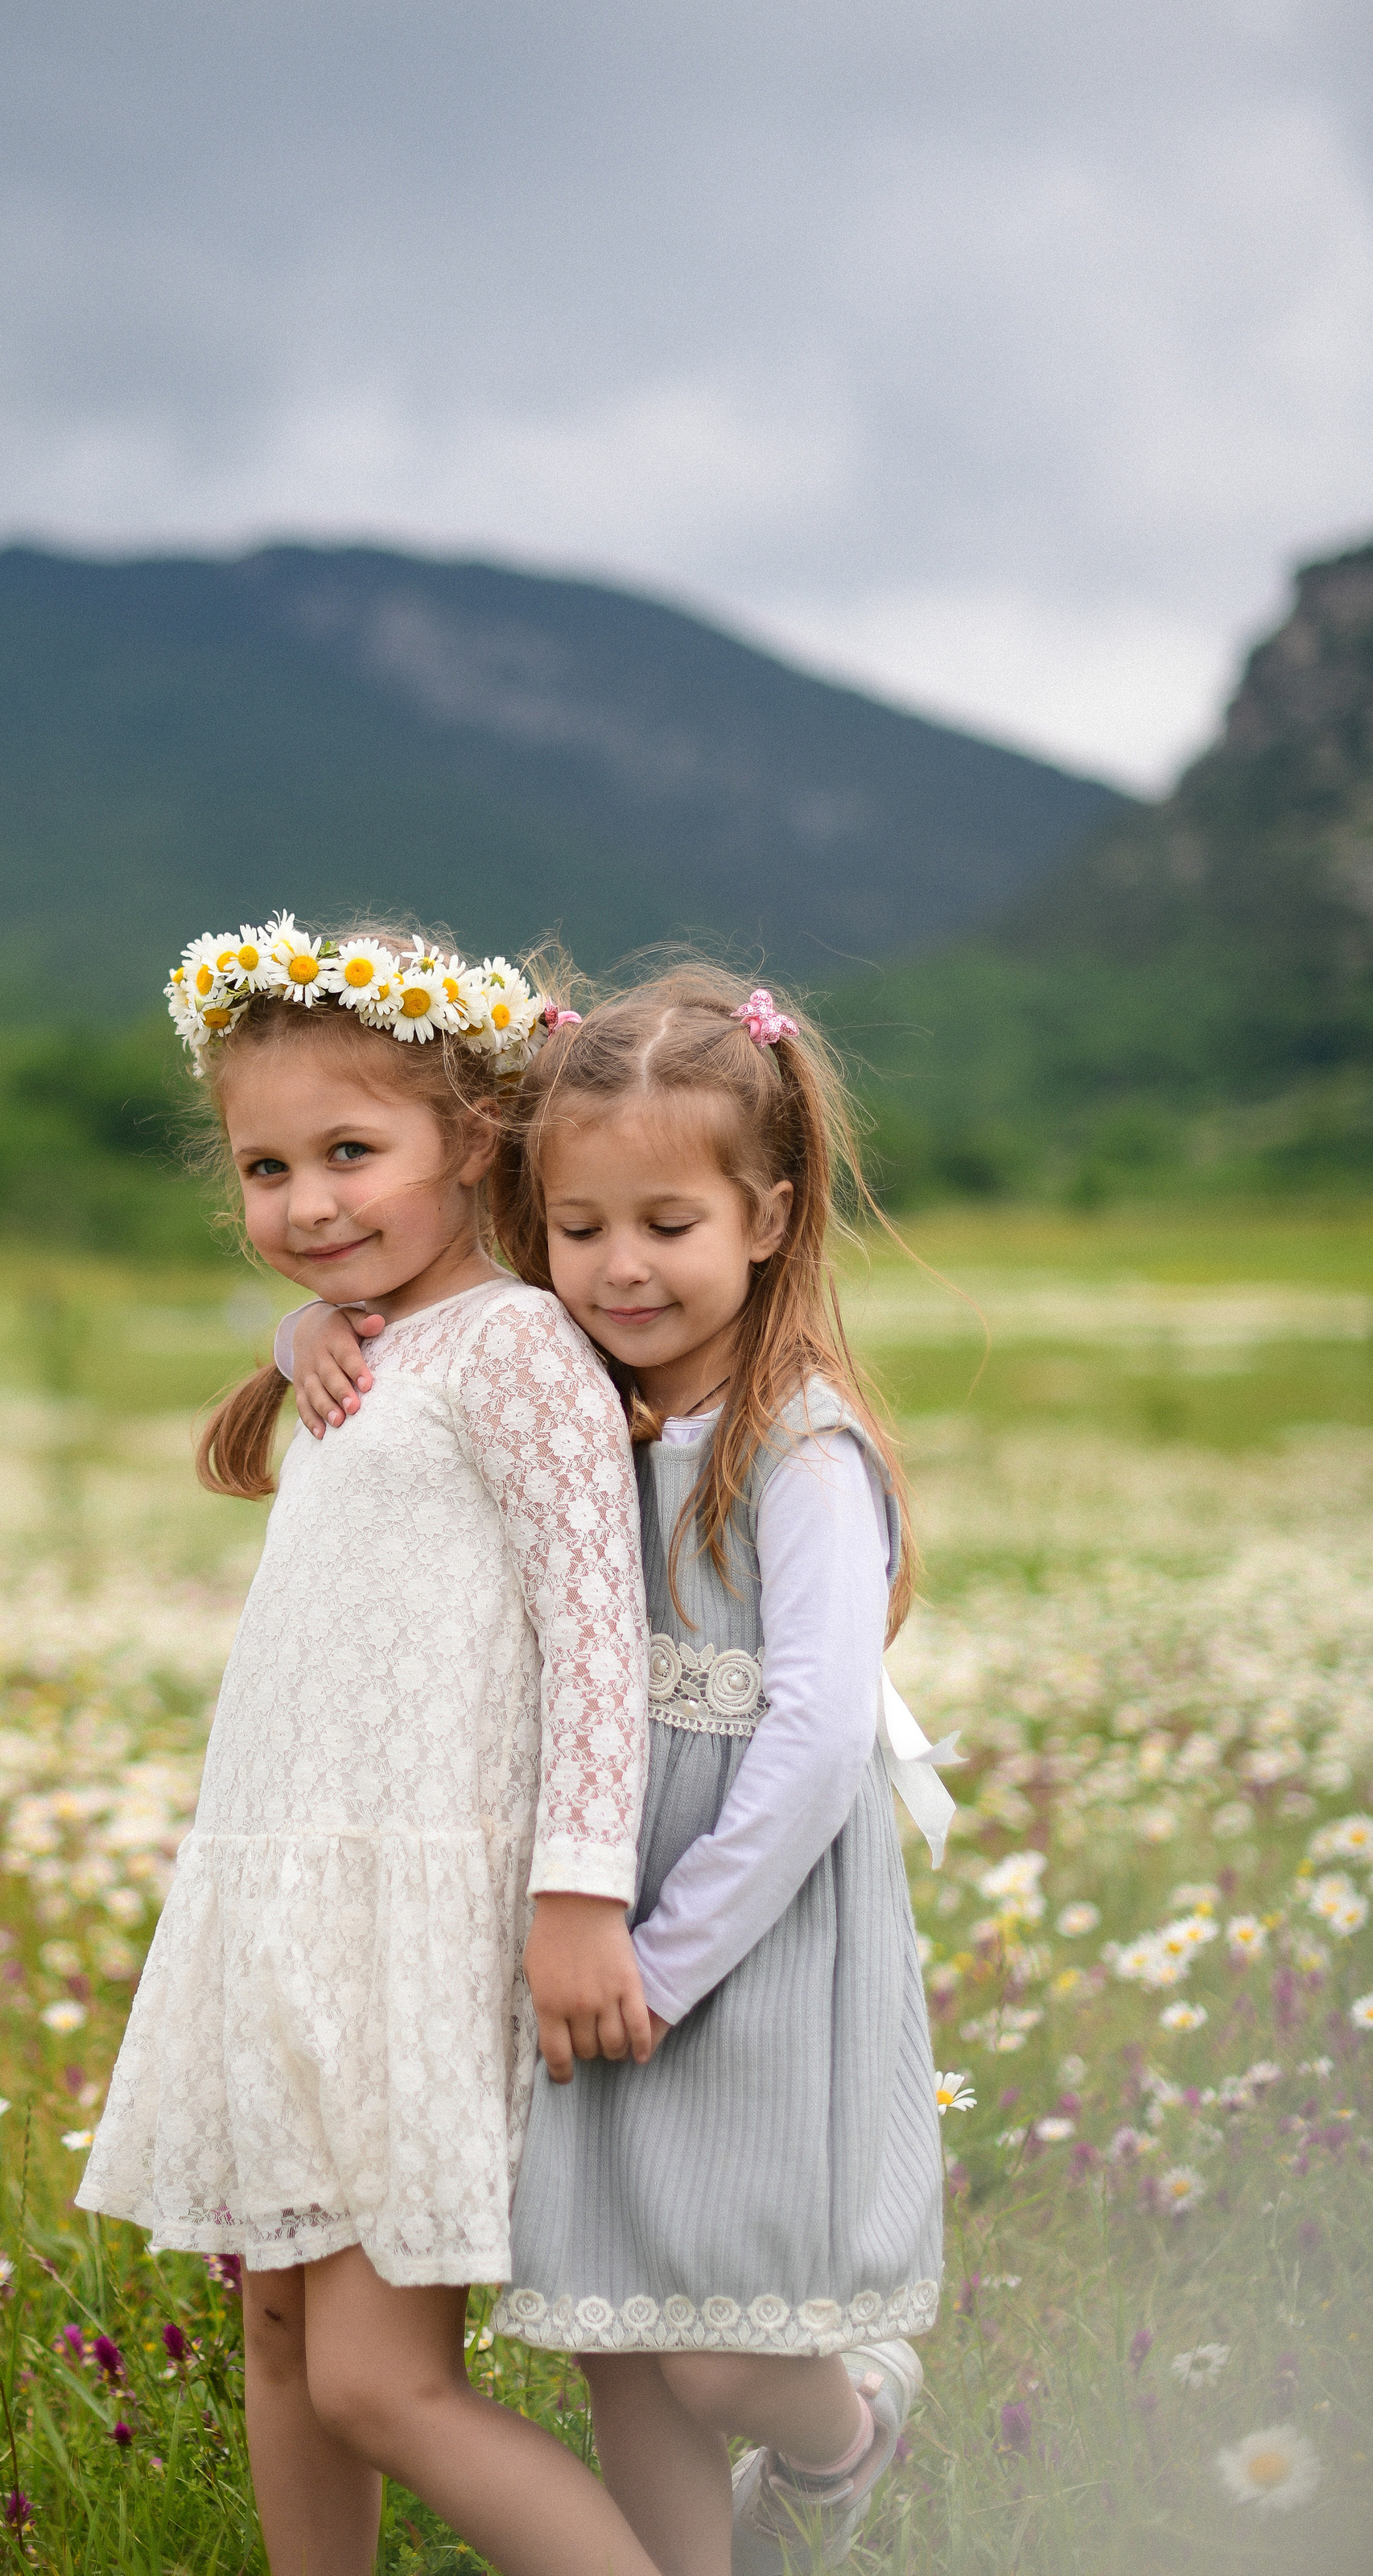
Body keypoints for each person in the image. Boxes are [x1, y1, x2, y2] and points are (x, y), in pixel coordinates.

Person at [287, 964, 946, 2576]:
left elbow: (813, 1741)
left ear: (767, 1216)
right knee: (620, 2325)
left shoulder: (797, 1441)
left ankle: (845, 2429)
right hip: (585, 1907)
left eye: (668, 1222)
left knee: (721, 2345)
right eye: (579, 1228)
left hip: (736, 1930)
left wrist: (668, 1954)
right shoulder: (568, 1390)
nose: (620, 1266)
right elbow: (416, 1329)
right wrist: (312, 1324)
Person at [78, 916, 672, 2576]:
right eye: (267, 1169)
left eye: (351, 1152)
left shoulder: (522, 1347)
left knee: (376, 2377)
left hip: (419, 1916)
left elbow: (598, 1638)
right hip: (286, 1894)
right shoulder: (365, 1340)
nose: (309, 1203)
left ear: (471, 1136)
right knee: (279, 2338)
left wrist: (578, 1890)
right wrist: (296, 1336)